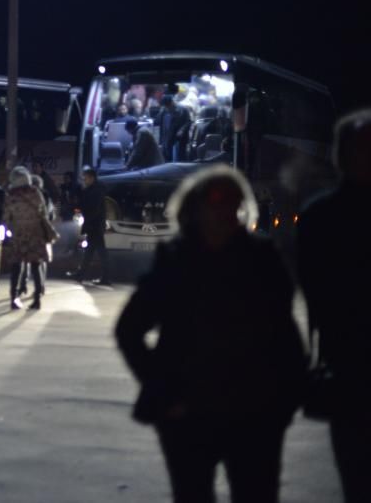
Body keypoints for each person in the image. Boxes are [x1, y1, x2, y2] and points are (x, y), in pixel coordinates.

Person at [115, 166, 306, 503]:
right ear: (195, 210)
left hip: (254, 410)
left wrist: (285, 400)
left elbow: (283, 333)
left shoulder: (262, 260)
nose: (222, 213)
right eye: (215, 204)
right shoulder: (176, 260)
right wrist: (164, 392)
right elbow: (129, 329)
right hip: (191, 410)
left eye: (230, 204)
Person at [298, 109, 371, 503]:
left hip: (351, 372)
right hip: (358, 372)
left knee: (363, 483)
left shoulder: (320, 217)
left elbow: (324, 304)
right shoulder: (322, 218)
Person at [3, 167, 54, 310]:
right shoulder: (35, 192)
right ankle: (37, 298)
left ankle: (14, 297)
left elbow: (6, 217)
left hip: (18, 235)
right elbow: (43, 212)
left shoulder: (11, 195)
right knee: (36, 265)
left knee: (16, 266)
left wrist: (6, 232)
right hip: (35, 234)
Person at [76, 167, 108, 285]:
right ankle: (82, 274)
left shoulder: (96, 191)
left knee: (96, 252)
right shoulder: (95, 189)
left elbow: (92, 209)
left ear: (92, 178)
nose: (84, 180)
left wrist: (88, 222)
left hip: (95, 225)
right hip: (95, 225)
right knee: (94, 251)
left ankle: (83, 275)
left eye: (86, 178)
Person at [157, 95, 192, 162]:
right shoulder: (163, 111)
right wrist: (161, 141)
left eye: (169, 106)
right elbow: (160, 124)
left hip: (179, 138)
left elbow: (189, 122)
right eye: (166, 106)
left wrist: (182, 130)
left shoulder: (183, 109)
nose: (168, 108)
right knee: (167, 156)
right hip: (167, 137)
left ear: (172, 102)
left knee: (180, 157)